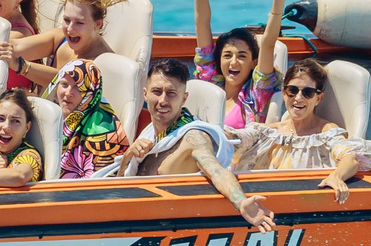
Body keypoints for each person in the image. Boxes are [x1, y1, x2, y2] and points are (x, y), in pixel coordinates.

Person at [98, 57, 272, 228]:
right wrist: (127, 158)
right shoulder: (149, 133)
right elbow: (121, 190)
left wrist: (241, 202)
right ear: (145, 94)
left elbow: (217, 171)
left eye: (171, 94)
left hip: (171, 227)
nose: (162, 101)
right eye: (157, 92)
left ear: (183, 98)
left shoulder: (193, 137)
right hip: (135, 222)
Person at [231, 56, 371, 204]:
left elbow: (350, 159)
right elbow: (237, 138)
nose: (298, 98)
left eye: (308, 93)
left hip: (308, 201)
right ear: (284, 93)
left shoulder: (327, 133)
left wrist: (337, 177)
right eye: (292, 90)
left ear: (318, 98)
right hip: (261, 200)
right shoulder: (266, 131)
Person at [193, 0, 292, 130]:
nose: (233, 62)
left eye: (242, 56)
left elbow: (268, 43)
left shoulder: (255, 95)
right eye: (227, 55)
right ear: (218, 60)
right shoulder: (211, 84)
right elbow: (202, 22)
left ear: (253, 63)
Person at [5, 0, 112, 90]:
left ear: (97, 24)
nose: (70, 29)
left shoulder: (102, 62)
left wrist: (21, 66)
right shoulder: (59, 39)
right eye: (67, 20)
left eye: (79, 23)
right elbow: (16, 46)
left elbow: (68, 81)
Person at [50, 58, 127, 179]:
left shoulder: (104, 133)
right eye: (64, 85)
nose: (68, 93)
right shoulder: (52, 119)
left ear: (91, 92)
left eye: (78, 88)